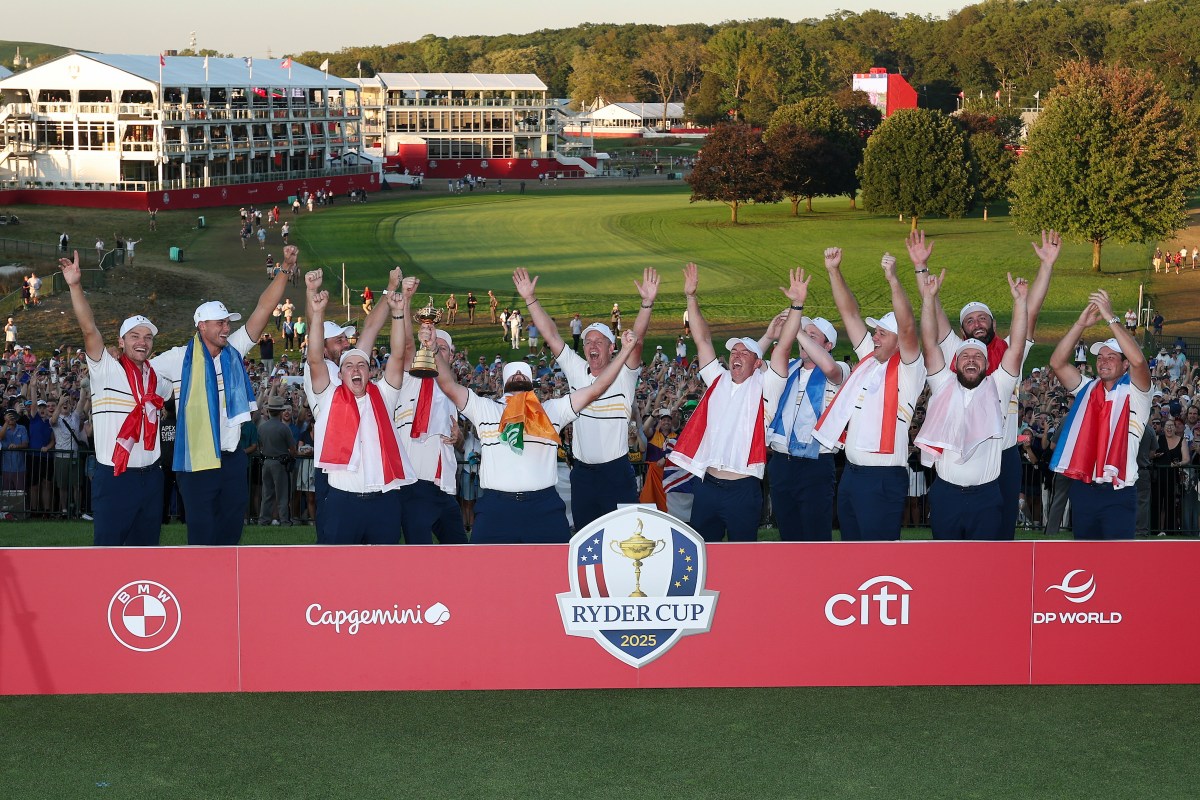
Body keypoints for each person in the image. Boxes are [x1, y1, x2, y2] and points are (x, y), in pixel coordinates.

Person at [907, 229, 1059, 539]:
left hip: (1000, 455)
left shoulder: (1006, 357)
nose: (977, 324)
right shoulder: (957, 354)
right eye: (970, 321)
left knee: (999, 536)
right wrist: (921, 268)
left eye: (983, 319)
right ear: (962, 332)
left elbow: (1031, 314)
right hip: (959, 457)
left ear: (993, 324)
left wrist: (1046, 266)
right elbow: (932, 314)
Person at [432, 326, 641, 543]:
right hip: (496, 509)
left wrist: (625, 351)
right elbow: (448, 384)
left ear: (531, 384)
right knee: (486, 572)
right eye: (513, 373)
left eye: (523, 373)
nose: (519, 374)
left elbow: (597, 388)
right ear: (504, 384)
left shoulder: (551, 411)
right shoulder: (486, 409)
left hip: (544, 508)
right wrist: (433, 349)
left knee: (556, 571)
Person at [150, 246, 298, 545]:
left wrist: (284, 269)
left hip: (231, 459)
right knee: (202, 534)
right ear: (201, 326)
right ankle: (203, 587)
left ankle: (228, 588)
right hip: (197, 460)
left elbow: (263, 309)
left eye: (228, 323)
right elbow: (143, 374)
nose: (227, 328)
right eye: (221, 323)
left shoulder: (233, 351)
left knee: (231, 531)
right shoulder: (178, 358)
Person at [513, 267, 654, 529]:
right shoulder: (577, 369)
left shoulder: (625, 374)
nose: (591, 346)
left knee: (622, 538)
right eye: (588, 341)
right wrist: (530, 299)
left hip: (616, 472)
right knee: (584, 536)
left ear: (612, 348)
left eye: (599, 341)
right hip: (583, 474)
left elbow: (638, 340)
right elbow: (551, 335)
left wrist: (646, 304)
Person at [812, 249, 926, 540]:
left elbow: (909, 325)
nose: (874, 337)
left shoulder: (909, 369)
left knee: (879, 555)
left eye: (881, 334)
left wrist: (893, 280)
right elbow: (849, 313)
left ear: (899, 341)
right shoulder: (869, 360)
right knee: (851, 552)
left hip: (882, 478)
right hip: (852, 473)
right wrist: (834, 271)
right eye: (874, 332)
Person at [61, 250, 171, 545]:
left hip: (152, 476)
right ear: (121, 342)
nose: (142, 342)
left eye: (148, 337)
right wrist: (75, 286)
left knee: (146, 553)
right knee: (108, 554)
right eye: (134, 336)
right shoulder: (105, 369)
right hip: (115, 475)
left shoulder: (158, 380)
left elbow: (178, 391)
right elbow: (88, 328)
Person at [914, 268, 1029, 539]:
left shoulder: (998, 387)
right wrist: (929, 300)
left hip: (986, 496)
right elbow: (929, 343)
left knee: (987, 570)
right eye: (965, 356)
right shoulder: (943, 384)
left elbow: (1017, 348)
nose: (971, 360)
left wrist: (1021, 302)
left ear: (988, 365)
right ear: (954, 362)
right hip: (946, 493)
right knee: (945, 568)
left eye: (978, 358)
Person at [306, 271, 418, 543]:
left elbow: (396, 352)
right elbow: (315, 361)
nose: (355, 368)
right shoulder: (328, 391)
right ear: (340, 373)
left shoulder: (382, 393)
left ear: (370, 372)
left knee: (384, 574)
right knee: (336, 572)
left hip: (383, 498)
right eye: (349, 365)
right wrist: (316, 311)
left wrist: (399, 311)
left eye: (362, 365)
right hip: (341, 496)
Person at [669, 262, 768, 542]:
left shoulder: (763, 387)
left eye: (744, 352)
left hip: (743, 488)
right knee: (702, 556)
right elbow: (702, 339)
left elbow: (781, 354)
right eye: (734, 350)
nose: (736, 355)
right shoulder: (718, 379)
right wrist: (691, 297)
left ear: (758, 362)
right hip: (708, 485)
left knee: (743, 559)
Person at [1048, 290, 1152, 539]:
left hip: (1119, 491)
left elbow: (1139, 362)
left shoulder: (1137, 391)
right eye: (1100, 357)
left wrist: (1110, 317)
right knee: (1085, 563)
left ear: (1124, 364)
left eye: (1112, 357)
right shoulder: (1088, 388)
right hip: (1084, 489)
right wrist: (1080, 325)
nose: (1103, 361)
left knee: (1116, 566)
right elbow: (1057, 363)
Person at [762, 271, 849, 541]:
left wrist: (797, 329)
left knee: (816, 536)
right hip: (782, 463)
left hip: (816, 464)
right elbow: (755, 362)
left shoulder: (840, 369)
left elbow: (830, 368)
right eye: (805, 333)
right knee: (788, 535)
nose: (805, 339)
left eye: (814, 335)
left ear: (828, 344)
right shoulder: (787, 369)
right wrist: (774, 334)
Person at [393, 326, 469, 544]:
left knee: (460, 552)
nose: (437, 351)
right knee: (419, 556)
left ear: (452, 356)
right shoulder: (410, 379)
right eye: (432, 346)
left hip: (444, 487)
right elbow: (406, 347)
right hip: (414, 484)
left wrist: (458, 437)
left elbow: (460, 442)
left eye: (442, 348)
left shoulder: (453, 393)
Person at [257, 396, 297, 526]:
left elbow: (260, 446)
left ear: (269, 411)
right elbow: (293, 449)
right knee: (282, 494)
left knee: (267, 494)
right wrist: (291, 455)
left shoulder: (262, 428)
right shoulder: (284, 428)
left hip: (266, 462)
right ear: (280, 412)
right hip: (280, 463)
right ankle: (284, 520)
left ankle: (264, 519)